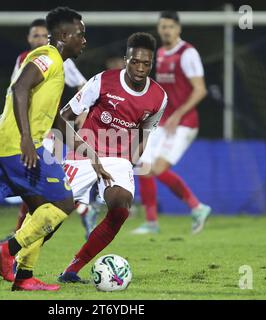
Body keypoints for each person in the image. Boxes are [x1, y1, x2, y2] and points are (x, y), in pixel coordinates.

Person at [0, 7, 94, 292]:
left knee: (42, 212)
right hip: (15, 145)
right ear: (63, 35)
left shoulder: (56, 63)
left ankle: (24, 278)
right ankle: (6, 249)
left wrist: (88, 152)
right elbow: (20, 89)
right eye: (80, 34)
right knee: (64, 203)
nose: (84, 40)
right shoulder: (48, 58)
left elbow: (57, 119)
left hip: (11, 144)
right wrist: (25, 139)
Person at [57, 32, 167, 283]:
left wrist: (130, 161)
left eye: (146, 64)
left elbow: (145, 132)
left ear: (152, 64)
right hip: (84, 152)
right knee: (55, 211)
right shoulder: (103, 81)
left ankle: (72, 270)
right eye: (135, 62)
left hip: (118, 158)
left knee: (120, 208)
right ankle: (16, 255)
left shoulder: (159, 97)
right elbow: (65, 114)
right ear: (125, 59)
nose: (140, 68)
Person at [8, 18, 96, 238]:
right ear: (28, 38)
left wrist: (81, 109)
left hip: (50, 131)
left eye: (42, 35)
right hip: (31, 130)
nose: (39, 39)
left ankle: (21, 235)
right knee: (37, 185)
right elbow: (14, 91)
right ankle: (84, 210)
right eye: (34, 35)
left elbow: (82, 84)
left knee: (44, 185)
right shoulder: (24, 60)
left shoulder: (59, 58)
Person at [132, 11, 211, 235]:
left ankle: (198, 207)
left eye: (170, 26)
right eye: (162, 27)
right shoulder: (162, 53)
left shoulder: (187, 53)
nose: (166, 30)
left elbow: (200, 89)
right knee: (143, 166)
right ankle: (151, 223)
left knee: (157, 168)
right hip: (165, 121)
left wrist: (178, 114)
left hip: (184, 122)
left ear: (178, 29)